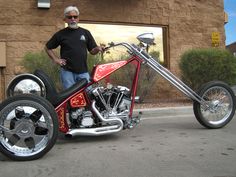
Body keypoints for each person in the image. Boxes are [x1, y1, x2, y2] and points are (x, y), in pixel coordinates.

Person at [45, 5, 104, 89]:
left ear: (78, 18)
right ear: (65, 19)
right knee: (70, 98)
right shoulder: (61, 34)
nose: (73, 19)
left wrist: (97, 49)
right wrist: (56, 59)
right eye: (70, 17)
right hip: (67, 72)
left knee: (87, 95)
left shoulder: (85, 32)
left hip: (83, 72)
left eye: (75, 17)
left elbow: (92, 51)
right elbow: (47, 47)